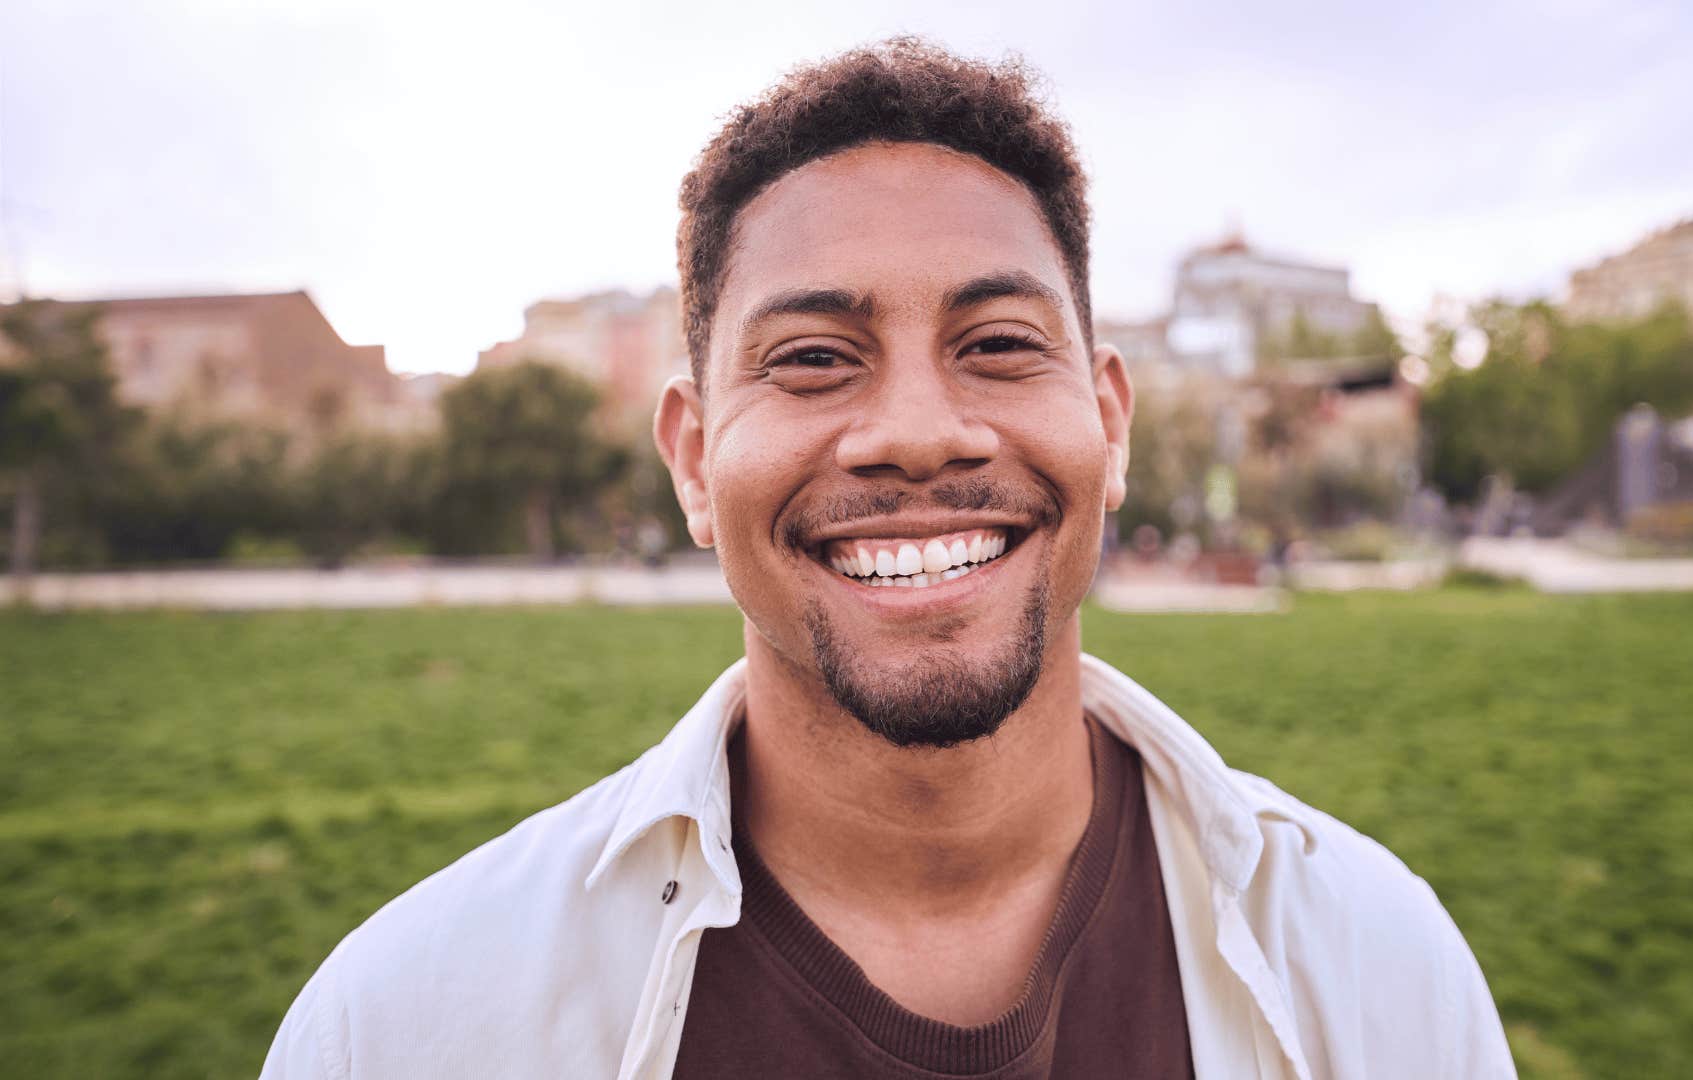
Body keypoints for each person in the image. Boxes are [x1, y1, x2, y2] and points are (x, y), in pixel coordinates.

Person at [262, 38, 1515, 1079]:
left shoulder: (1375, 971)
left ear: (1111, 422)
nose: (918, 431)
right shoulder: (407, 1027)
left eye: (999, 343)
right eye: (812, 358)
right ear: (695, 462)